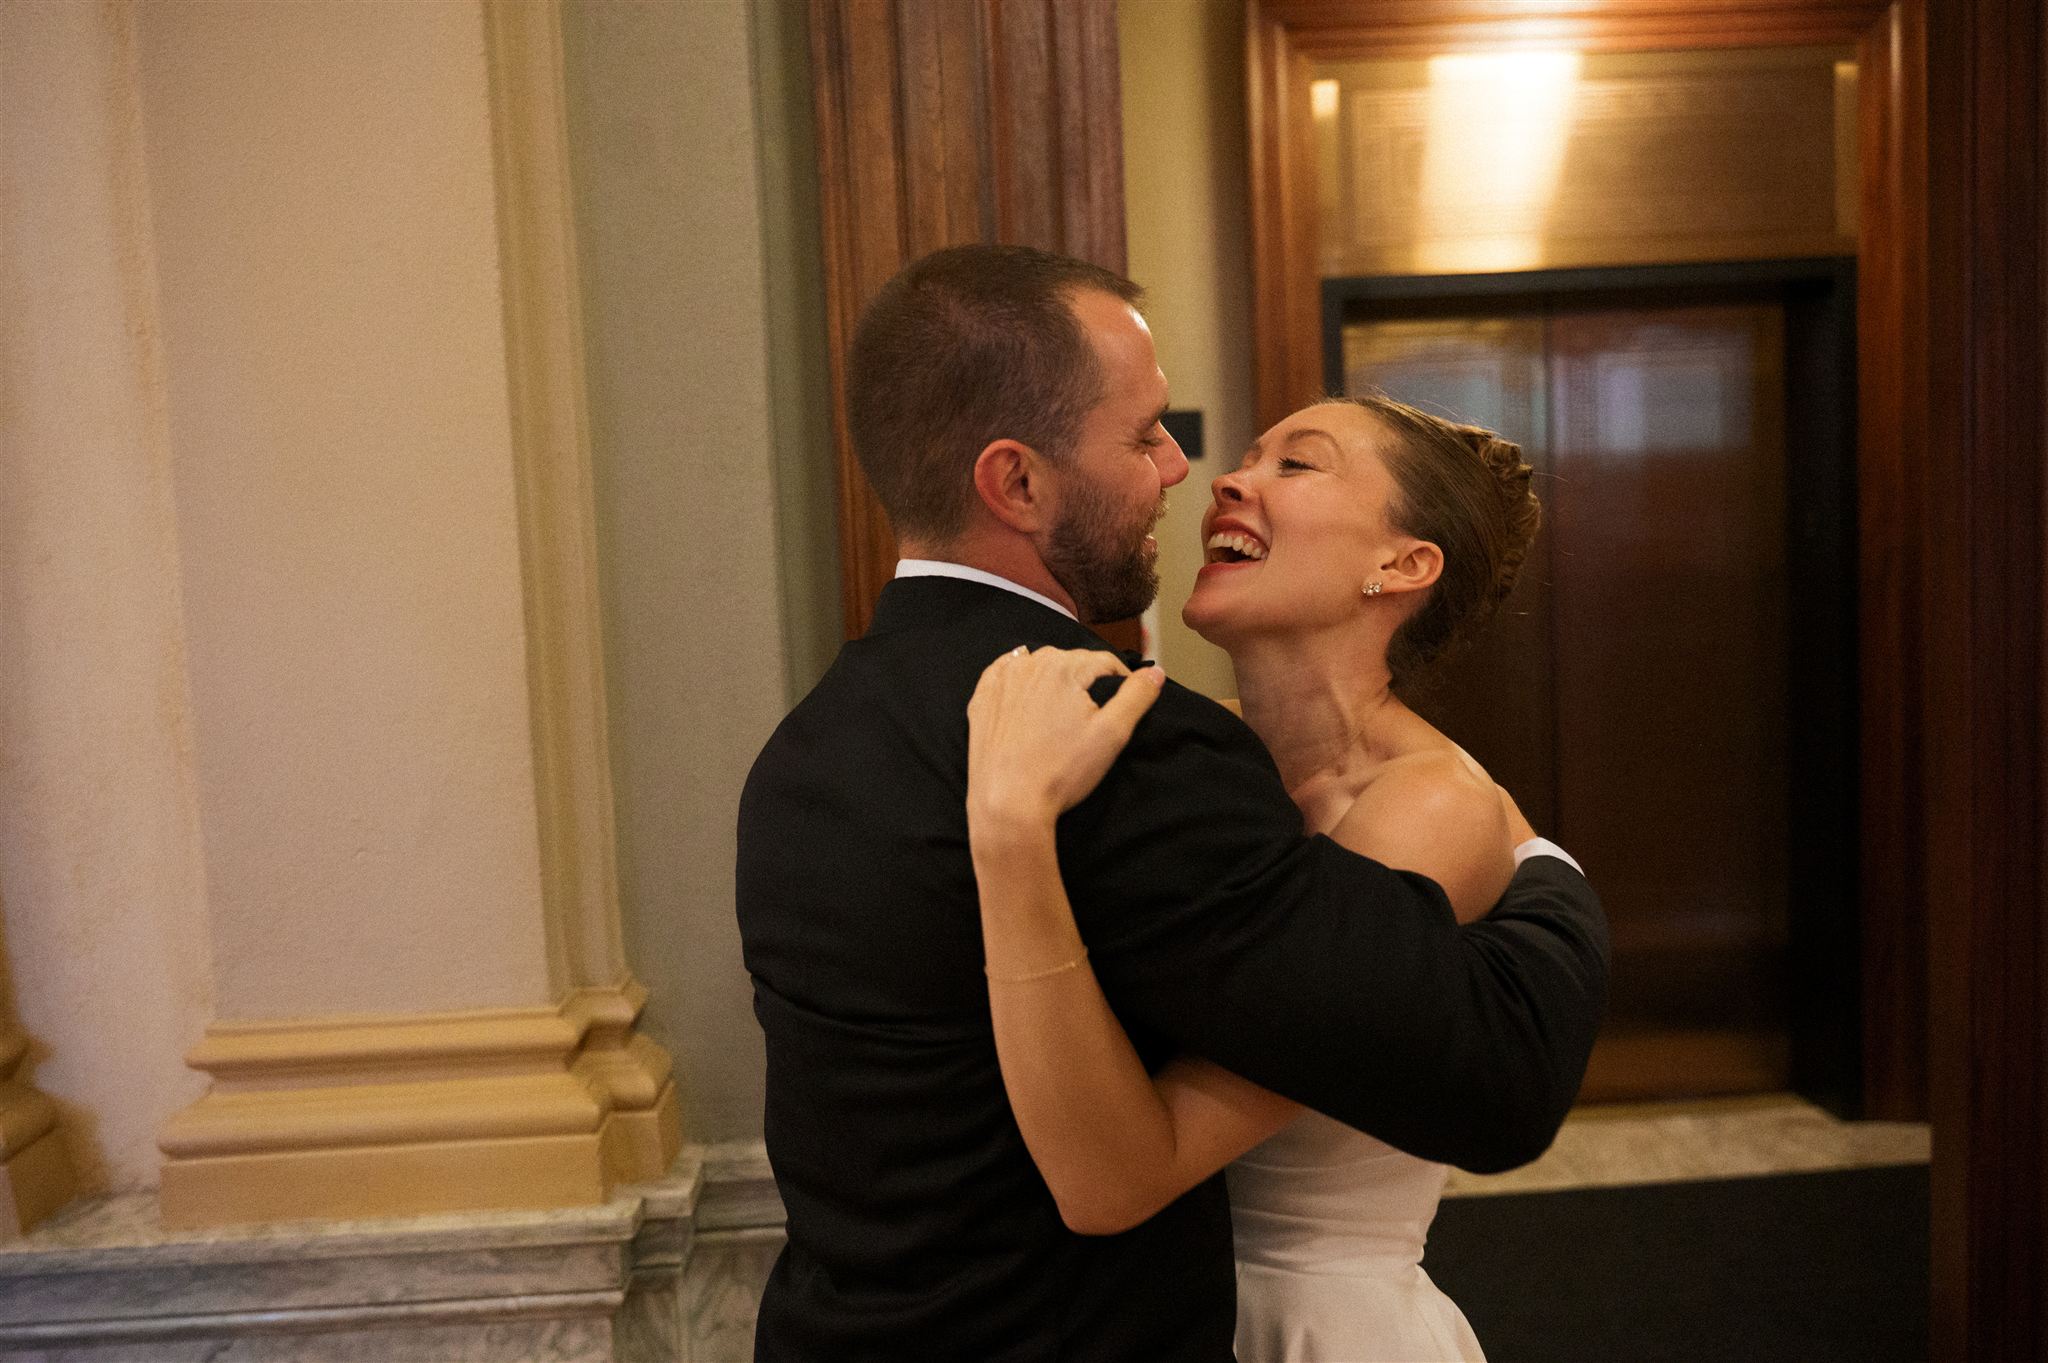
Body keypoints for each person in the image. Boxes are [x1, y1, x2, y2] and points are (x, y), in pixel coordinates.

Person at [735, 243, 1606, 1363]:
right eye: (1150, 436)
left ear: (1399, 564)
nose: (1199, 473)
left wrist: (1547, 880)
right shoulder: (1157, 757)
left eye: (1296, 464)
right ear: (1016, 483)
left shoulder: (809, 744)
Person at [966, 395, 1549, 1361]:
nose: (1228, 480)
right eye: (1245, 457)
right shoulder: (1187, 745)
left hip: (1311, 1323)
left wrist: (1013, 832)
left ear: (1401, 565)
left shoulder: (1431, 808)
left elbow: (1119, 1177)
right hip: (1128, 1309)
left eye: (1298, 465)